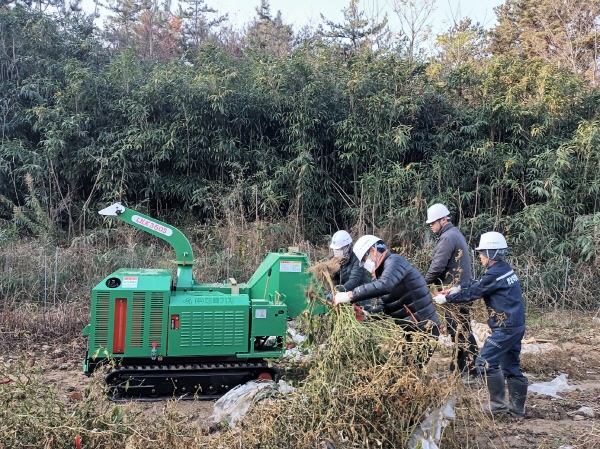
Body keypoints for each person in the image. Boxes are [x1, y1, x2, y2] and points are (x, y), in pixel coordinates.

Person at [433, 232, 528, 417]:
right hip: (515, 325)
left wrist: (448, 299)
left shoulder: (495, 274)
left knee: (484, 362)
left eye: (482, 253)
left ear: (491, 254)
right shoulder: (502, 269)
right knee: (510, 367)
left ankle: (498, 407)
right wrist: (458, 287)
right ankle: (517, 410)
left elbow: (475, 292)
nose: (480, 256)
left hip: (506, 328)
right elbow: (478, 283)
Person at [333, 235, 441, 364]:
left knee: (413, 370)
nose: (365, 265)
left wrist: (350, 295)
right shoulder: (383, 274)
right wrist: (366, 315)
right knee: (406, 368)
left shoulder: (395, 262)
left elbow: (385, 286)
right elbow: (385, 308)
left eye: (364, 259)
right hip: (411, 331)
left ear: (373, 251)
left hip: (424, 329)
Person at [425, 203, 478, 382]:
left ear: (443, 220)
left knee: (459, 331)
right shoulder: (453, 234)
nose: (431, 225)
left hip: (454, 292)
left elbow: (437, 266)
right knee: (461, 330)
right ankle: (461, 368)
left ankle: (466, 371)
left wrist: (422, 283)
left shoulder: (447, 238)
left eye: (433, 222)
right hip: (459, 290)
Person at [328, 230, 371, 302]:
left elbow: (354, 280)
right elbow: (333, 278)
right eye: (335, 249)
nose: (336, 251)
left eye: (339, 249)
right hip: (343, 293)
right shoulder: (333, 258)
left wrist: (337, 292)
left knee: (363, 311)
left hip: (360, 291)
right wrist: (331, 291)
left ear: (347, 247)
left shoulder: (357, 257)